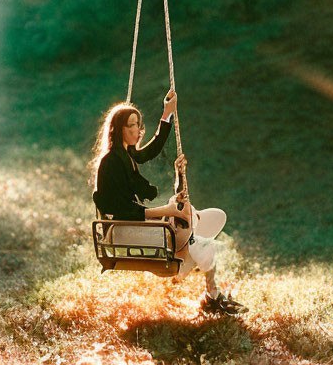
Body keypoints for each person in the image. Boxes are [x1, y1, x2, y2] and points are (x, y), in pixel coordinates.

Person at [90, 89, 247, 316]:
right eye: (131, 125)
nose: (137, 130)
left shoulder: (126, 155)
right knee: (195, 235)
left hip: (132, 226)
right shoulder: (111, 162)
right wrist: (166, 210)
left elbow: (152, 150)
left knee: (188, 218)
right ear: (117, 130)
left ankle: (208, 286)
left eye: (138, 124)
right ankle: (206, 285)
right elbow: (122, 209)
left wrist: (167, 114)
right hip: (123, 230)